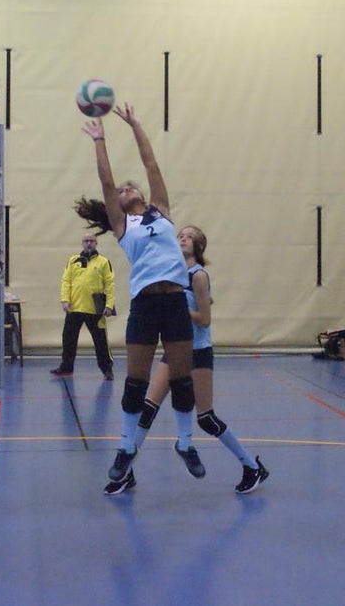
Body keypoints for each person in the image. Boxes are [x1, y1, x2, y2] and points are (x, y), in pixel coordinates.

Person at [75, 103, 204, 493]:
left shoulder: (161, 211)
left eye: (131, 187)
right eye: (122, 189)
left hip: (175, 303)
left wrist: (135, 124)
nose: (127, 188)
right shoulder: (121, 223)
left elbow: (150, 164)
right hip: (145, 305)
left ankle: (185, 443)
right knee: (136, 381)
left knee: (183, 381)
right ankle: (125, 448)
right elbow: (105, 179)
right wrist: (100, 141)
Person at [109, 225, 269, 495]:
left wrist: (179, 309)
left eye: (189, 236)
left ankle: (251, 466)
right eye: (179, 235)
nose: (182, 238)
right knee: (147, 408)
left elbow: (205, 319)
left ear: (199, 246)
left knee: (206, 418)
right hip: (174, 350)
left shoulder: (198, 275)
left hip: (197, 351)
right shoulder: (172, 274)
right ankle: (126, 472)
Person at [51, 233, 116, 380]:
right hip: (74, 307)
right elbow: (66, 281)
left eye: (91, 241)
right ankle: (66, 367)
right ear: (82, 243)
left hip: (95, 308)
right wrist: (65, 300)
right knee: (68, 338)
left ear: (96, 243)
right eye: (86, 241)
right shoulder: (73, 261)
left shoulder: (103, 262)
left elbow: (110, 284)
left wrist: (109, 305)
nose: (89, 243)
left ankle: (107, 368)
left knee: (101, 341)